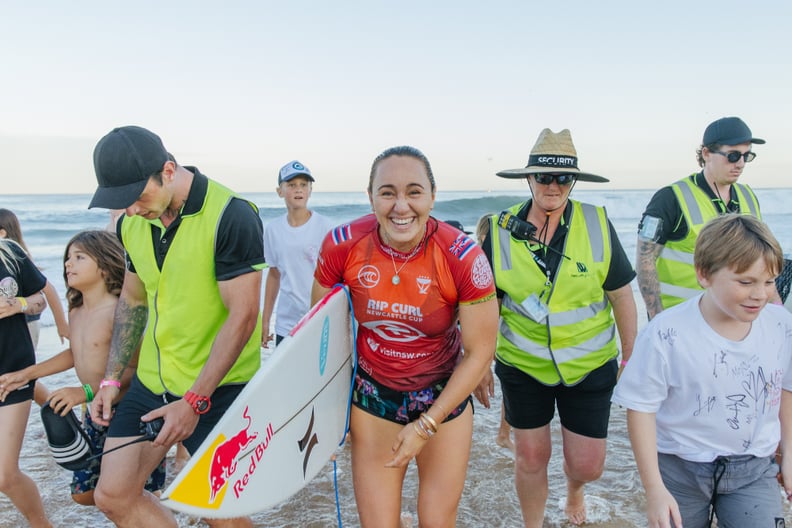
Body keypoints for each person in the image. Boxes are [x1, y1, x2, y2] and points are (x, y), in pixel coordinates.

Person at [86, 125, 265, 528]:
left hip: (219, 389)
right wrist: (112, 380)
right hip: (153, 383)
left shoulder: (231, 214)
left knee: (220, 514)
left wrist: (195, 401)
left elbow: (244, 315)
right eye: (121, 202)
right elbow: (133, 300)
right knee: (112, 495)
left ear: (168, 171)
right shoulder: (132, 224)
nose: (130, 209)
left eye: (137, 196)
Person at [311, 145, 499, 528]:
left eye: (414, 192)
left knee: (435, 520)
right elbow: (319, 335)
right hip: (375, 395)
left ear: (432, 195)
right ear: (370, 197)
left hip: (443, 397)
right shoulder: (342, 245)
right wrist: (327, 416)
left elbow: (481, 351)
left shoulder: (462, 256)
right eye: (387, 192)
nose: (401, 206)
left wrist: (428, 424)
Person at [480, 128, 637, 527]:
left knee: (588, 465)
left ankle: (575, 490)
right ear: (529, 179)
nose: (554, 186)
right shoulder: (498, 231)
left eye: (563, 178)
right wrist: (479, 362)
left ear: (574, 181)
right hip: (523, 364)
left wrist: (633, 354)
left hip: (589, 364)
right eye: (545, 177)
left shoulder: (597, 223)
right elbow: (486, 304)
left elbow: (620, 294)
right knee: (531, 457)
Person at [613, 214, 792, 527]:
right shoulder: (666, 334)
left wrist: (789, 451)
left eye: (769, 281)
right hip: (678, 469)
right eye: (746, 282)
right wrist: (654, 490)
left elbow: (786, 388)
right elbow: (640, 409)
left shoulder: (781, 326)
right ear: (704, 274)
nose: (760, 294)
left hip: (754, 469)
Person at [0, 230, 166, 505]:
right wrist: (27, 374)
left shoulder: (119, 312)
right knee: (83, 494)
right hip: (95, 413)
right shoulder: (77, 310)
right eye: (67, 258)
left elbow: (136, 369)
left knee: (132, 490)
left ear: (104, 264)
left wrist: (84, 392)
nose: (68, 264)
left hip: (131, 410)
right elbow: (75, 354)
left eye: (79, 257)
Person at [636, 116, 768, 319]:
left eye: (746, 156)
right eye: (733, 156)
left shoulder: (748, 196)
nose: (741, 164)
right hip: (681, 320)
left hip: (733, 320)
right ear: (706, 153)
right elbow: (645, 259)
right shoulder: (671, 198)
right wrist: (657, 317)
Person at [0, 237, 52, 527]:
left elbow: (39, 299)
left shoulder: (9, 253)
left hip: (12, 373)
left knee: (5, 475)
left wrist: (17, 304)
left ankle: (41, 524)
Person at [0, 208, 69, 406]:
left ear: (3, 232)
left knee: (23, 374)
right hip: (21, 323)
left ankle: (53, 407)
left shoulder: (12, 255)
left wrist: (62, 324)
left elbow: (47, 290)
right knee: (22, 375)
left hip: (25, 324)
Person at [261, 160, 333, 347]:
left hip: (319, 319)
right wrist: (266, 321)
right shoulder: (273, 230)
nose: (298, 190)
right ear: (280, 191)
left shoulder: (325, 227)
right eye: (291, 185)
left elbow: (338, 278)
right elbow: (274, 275)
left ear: (310, 190)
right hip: (286, 324)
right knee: (287, 376)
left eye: (303, 185)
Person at [471, 212, 515, 453]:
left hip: (499, 331)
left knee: (508, 385)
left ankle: (503, 434)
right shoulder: (479, 259)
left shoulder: (505, 259)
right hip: (480, 332)